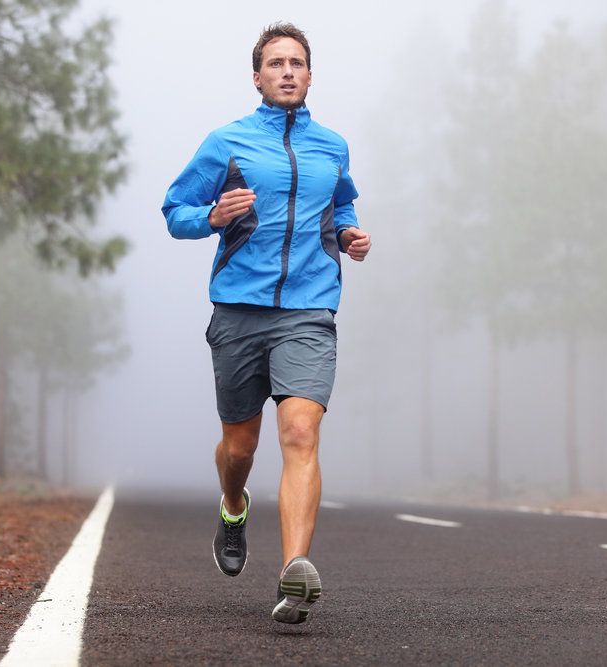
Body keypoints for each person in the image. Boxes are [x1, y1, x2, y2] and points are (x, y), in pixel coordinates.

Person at [162, 22, 371, 624]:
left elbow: (342, 202)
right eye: (275, 63)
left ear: (310, 75)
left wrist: (350, 233)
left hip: (309, 307)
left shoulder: (332, 146)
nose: (286, 71)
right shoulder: (226, 142)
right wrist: (212, 216)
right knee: (241, 445)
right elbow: (174, 211)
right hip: (239, 310)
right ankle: (233, 505)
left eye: (296, 63)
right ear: (257, 77)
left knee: (301, 433)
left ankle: (294, 572)